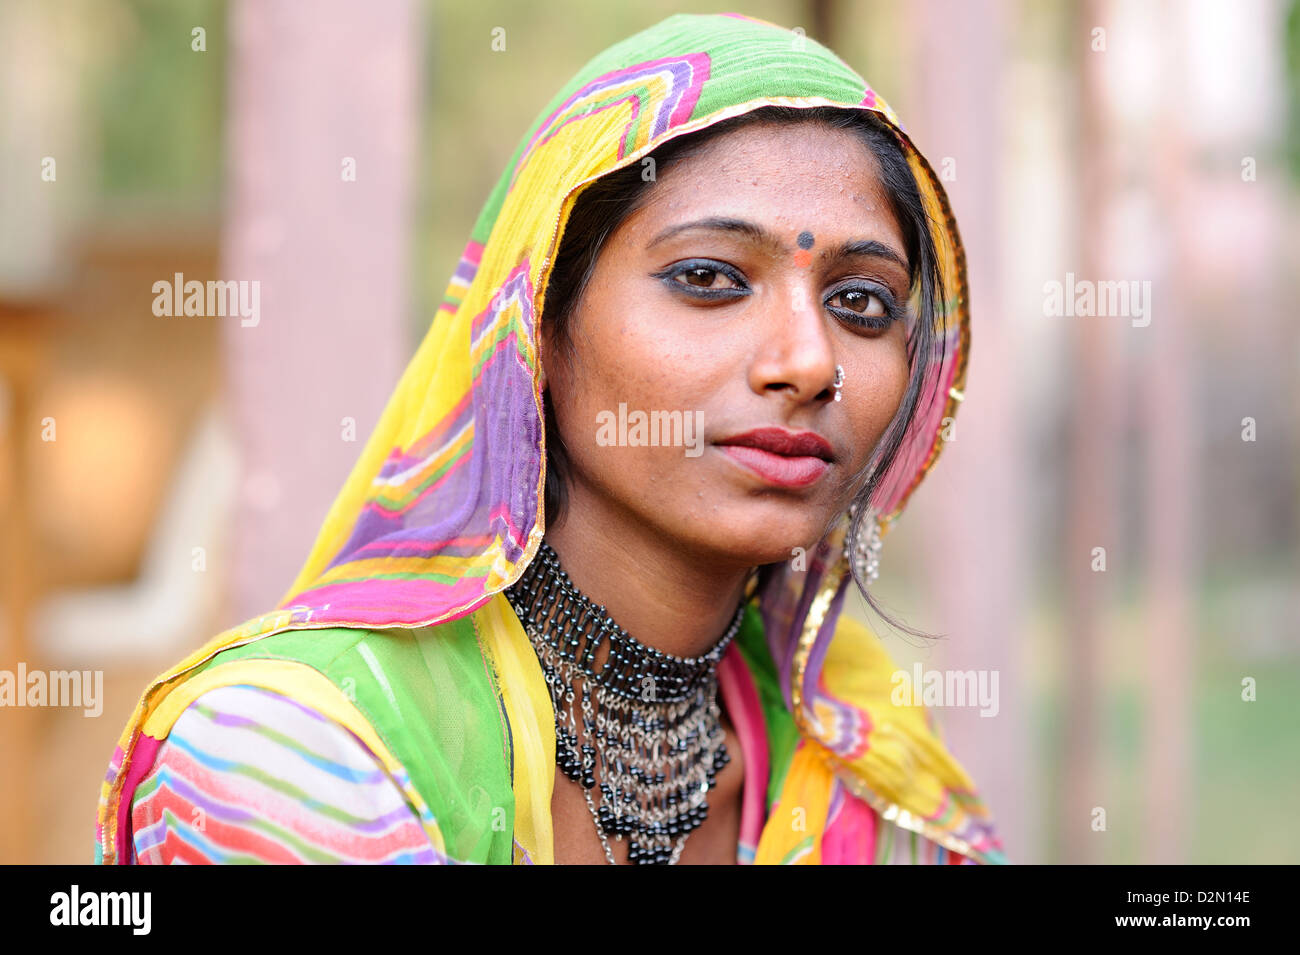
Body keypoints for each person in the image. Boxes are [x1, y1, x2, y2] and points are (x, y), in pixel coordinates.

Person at [95, 11, 1007, 865]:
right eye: (709, 277)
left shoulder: (873, 780)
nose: (809, 362)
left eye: (863, 303)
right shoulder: (289, 755)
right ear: (539, 328)